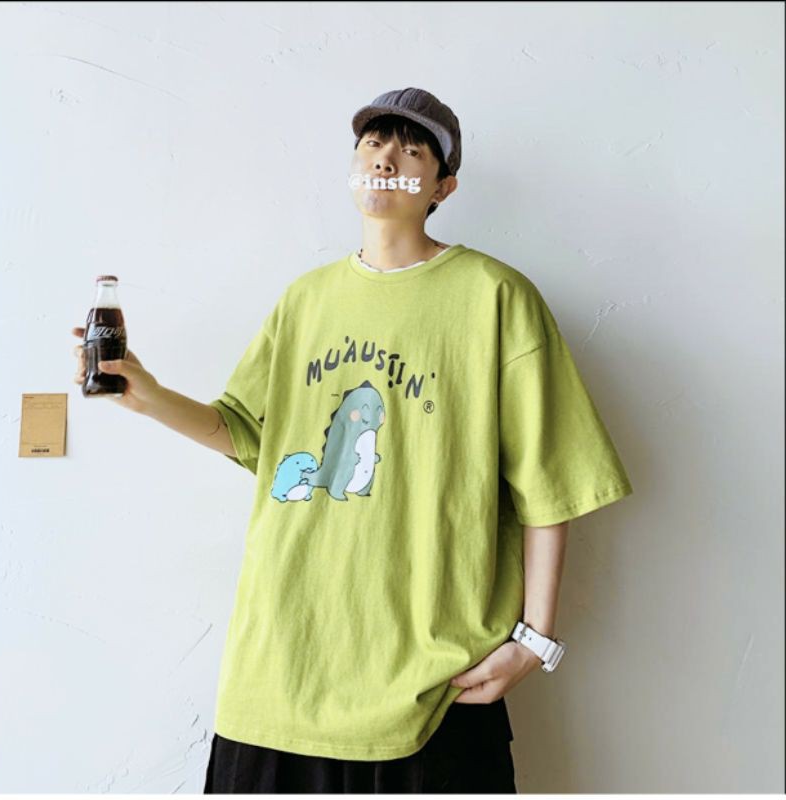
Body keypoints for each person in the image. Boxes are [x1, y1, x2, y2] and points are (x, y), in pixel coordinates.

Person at [71, 87, 634, 794]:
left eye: (411, 150)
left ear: (443, 187)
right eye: (372, 144)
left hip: (434, 684)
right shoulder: (305, 300)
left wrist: (535, 640)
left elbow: (553, 482)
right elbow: (246, 435)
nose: (385, 159)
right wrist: (147, 395)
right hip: (281, 670)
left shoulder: (495, 297)